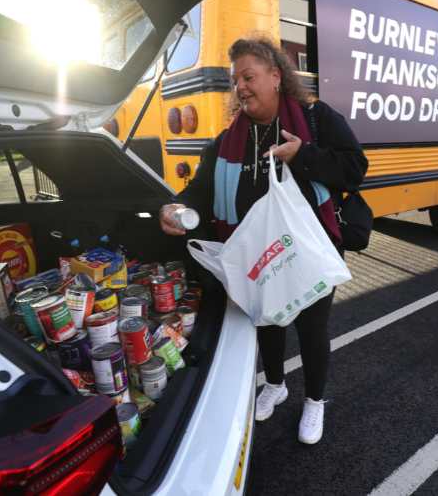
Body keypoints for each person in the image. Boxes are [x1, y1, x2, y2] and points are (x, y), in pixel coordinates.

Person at [158, 34, 368, 444]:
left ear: (275, 76)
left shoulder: (314, 120)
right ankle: (275, 384)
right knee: (267, 321)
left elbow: (354, 168)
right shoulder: (225, 142)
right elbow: (199, 191)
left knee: (311, 326)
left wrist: (303, 154)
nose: (240, 88)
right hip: (256, 254)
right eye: (235, 81)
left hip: (309, 246)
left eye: (249, 77)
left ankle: (315, 402)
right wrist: (175, 207)